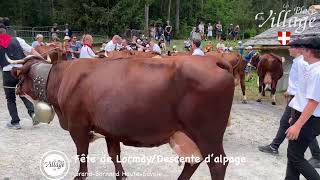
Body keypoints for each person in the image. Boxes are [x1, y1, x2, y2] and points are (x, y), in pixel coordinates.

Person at [284, 36, 320, 180]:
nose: (301, 52)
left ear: (309, 51)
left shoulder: (317, 72)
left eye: (303, 49)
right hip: (302, 115)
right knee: (293, 154)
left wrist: (298, 125)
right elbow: (303, 96)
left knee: (295, 156)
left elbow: (313, 102)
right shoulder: (311, 68)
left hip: (310, 119)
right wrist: (294, 114)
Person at [0, 23, 41, 129]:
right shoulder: (17, 39)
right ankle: (33, 115)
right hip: (20, 71)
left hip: (7, 73)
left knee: (10, 98)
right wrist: (41, 58)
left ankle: (15, 122)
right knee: (23, 93)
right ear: (6, 30)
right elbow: (31, 50)